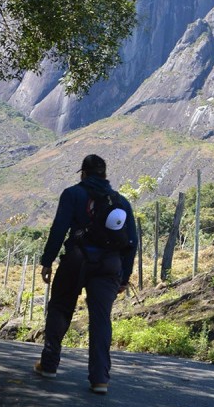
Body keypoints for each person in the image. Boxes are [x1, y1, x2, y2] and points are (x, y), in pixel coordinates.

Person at [34, 154, 138, 394]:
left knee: (60, 307)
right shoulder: (121, 202)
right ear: (104, 174)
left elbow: (58, 229)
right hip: (109, 266)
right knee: (101, 319)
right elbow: (131, 242)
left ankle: (49, 365)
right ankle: (100, 379)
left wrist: (47, 261)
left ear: (83, 173)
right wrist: (124, 277)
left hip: (77, 260)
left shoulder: (72, 194)